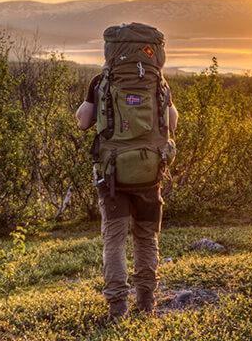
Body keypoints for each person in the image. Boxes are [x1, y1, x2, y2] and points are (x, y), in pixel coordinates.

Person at [76, 73, 178, 319]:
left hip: (113, 176)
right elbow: (172, 123)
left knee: (114, 240)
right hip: (149, 173)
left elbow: (82, 122)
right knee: (146, 237)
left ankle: (118, 306)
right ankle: (146, 301)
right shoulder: (158, 81)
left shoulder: (100, 81)